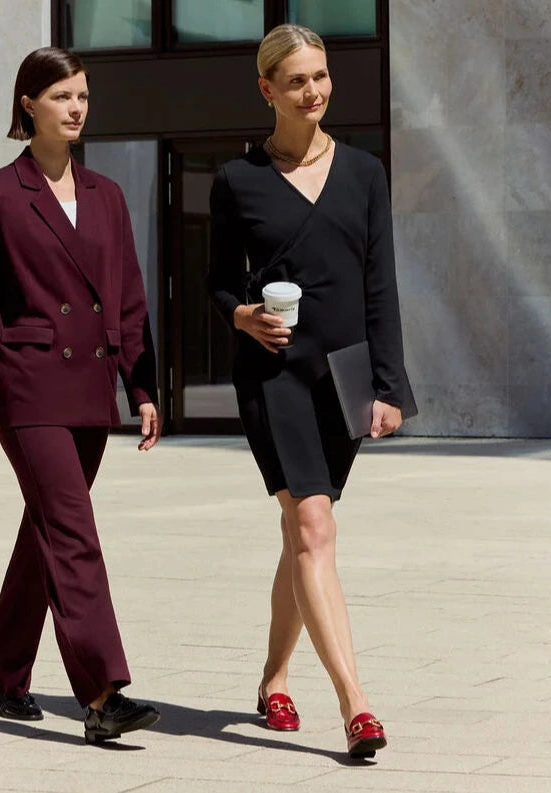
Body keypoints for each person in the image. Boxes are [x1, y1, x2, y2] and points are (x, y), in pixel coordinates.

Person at [0, 47, 161, 745]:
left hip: (91, 392)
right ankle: (100, 693)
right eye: (62, 95)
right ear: (28, 103)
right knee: (73, 531)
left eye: (83, 97)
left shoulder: (107, 196)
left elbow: (127, 299)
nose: (75, 108)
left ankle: (4, 671)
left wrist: (143, 387)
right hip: (30, 389)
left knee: (49, 533)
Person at [207, 24, 414, 759]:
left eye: (320, 77)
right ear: (267, 90)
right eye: (297, 81)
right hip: (274, 374)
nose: (314, 91)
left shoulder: (363, 172)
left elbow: (379, 284)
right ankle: (356, 704)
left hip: (348, 374)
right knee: (314, 529)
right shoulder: (237, 179)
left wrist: (387, 384)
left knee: (302, 535)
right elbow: (217, 283)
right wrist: (240, 313)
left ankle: (272, 678)